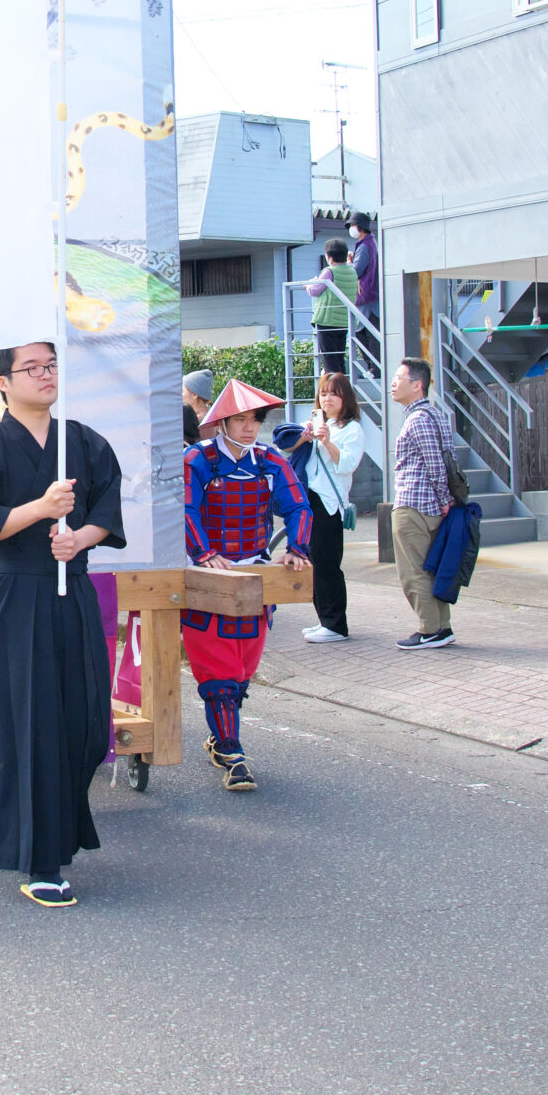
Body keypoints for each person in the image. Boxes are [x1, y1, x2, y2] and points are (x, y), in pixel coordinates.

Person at [0, 340, 128, 907]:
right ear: (3, 381)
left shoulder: (83, 442)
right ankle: (39, 860)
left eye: (51, 366)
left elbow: (106, 508)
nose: (45, 375)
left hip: (72, 585)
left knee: (86, 718)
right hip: (17, 591)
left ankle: (63, 830)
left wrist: (79, 539)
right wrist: (41, 508)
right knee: (32, 723)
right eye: (32, 368)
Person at [183, 378, 312, 793]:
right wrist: (203, 552)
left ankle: (220, 739)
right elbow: (184, 509)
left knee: (240, 674)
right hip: (207, 578)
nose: (249, 427)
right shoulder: (198, 459)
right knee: (218, 675)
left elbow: (299, 506)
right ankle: (233, 755)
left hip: (255, 577)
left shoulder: (269, 460)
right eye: (240, 419)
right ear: (222, 422)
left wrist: (296, 547)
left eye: (255, 419)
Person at [388, 358, 458, 649]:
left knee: (413, 573)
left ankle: (430, 630)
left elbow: (435, 463)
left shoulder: (418, 419)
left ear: (417, 385)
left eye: (399, 378)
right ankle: (442, 627)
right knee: (431, 569)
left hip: (415, 505)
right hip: (430, 506)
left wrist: (444, 499)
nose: (393, 383)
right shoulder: (436, 415)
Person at [297, 372, 369, 644]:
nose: (327, 399)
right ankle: (324, 619)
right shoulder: (320, 423)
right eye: (324, 393)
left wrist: (327, 442)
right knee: (314, 561)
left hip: (330, 502)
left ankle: (336, 624)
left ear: (345, 398)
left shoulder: (352, 429)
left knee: (327, 563)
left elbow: (348, 464)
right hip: (310, 498)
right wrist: (305, 437)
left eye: (334, 394)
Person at [310, 237, 358, 376]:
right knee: (339, 357)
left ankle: (336, 386)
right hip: (344, 321)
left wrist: (309, 284)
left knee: (330, 360)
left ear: (329, 257)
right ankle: (342, 384)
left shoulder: (329, 271)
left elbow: (315, 290)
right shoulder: (352, 271)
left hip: (327, 320)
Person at [180, 366, 215, 449]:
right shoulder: (209, 416)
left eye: (183, 392)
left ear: (195, 394)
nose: (181, 396)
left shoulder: (201, 421)